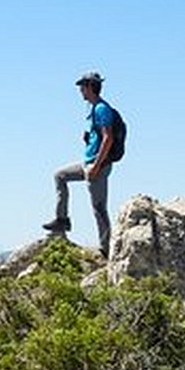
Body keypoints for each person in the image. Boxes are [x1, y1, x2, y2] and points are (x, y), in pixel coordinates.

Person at [43, 71, 116, 255]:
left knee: (99, 208)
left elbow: (109, 138)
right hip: (88, 162)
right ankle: (62, 220)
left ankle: (107, 249)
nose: (80, 91)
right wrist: (89, 140)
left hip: (97, 166)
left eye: (82, 86)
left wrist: (97, 166)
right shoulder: (93, 109)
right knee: (60, 175)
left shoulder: (101, 108)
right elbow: (101, 137)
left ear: (90, 86)